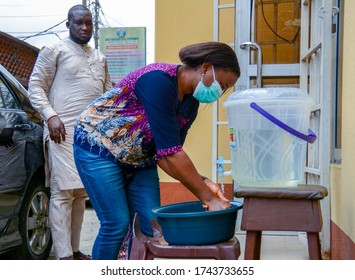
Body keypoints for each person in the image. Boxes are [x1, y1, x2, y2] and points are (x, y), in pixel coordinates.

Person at [73, 41, 240, 260]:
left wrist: (202, 180)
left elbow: (166, 155)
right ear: (207, 67)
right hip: (98, 147)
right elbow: (171, 154)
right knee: (116, 223)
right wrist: (210, 198)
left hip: (139, 157)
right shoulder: (158, 80)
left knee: (152, 226)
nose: (220, 93)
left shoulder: (191, 104)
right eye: (223, 85)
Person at [28, 4, 112, 260]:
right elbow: (35, 86)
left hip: (90, 135)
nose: (84, 27)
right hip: (61, 131)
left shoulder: (100, 58)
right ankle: (63, 255)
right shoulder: (54, 50)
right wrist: (51, 115)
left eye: (88, 23)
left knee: (79, 192)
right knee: (63, 192)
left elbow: (107, 94)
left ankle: (74, 251)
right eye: (79, 23)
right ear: (68, 24)